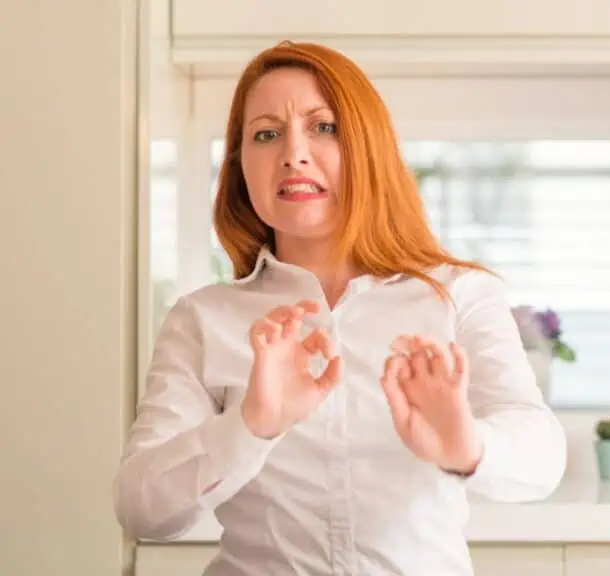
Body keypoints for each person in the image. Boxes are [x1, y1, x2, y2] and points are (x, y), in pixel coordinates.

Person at [113, 40, 567, 576]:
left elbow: (542, 459)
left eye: (323, 127)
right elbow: (141, 508)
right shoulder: (201, 319)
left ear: (368, 147)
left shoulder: (459, 295)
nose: (293, 153)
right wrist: (251, 424)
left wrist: (465, 443)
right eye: (266, 134)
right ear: (241, 169)